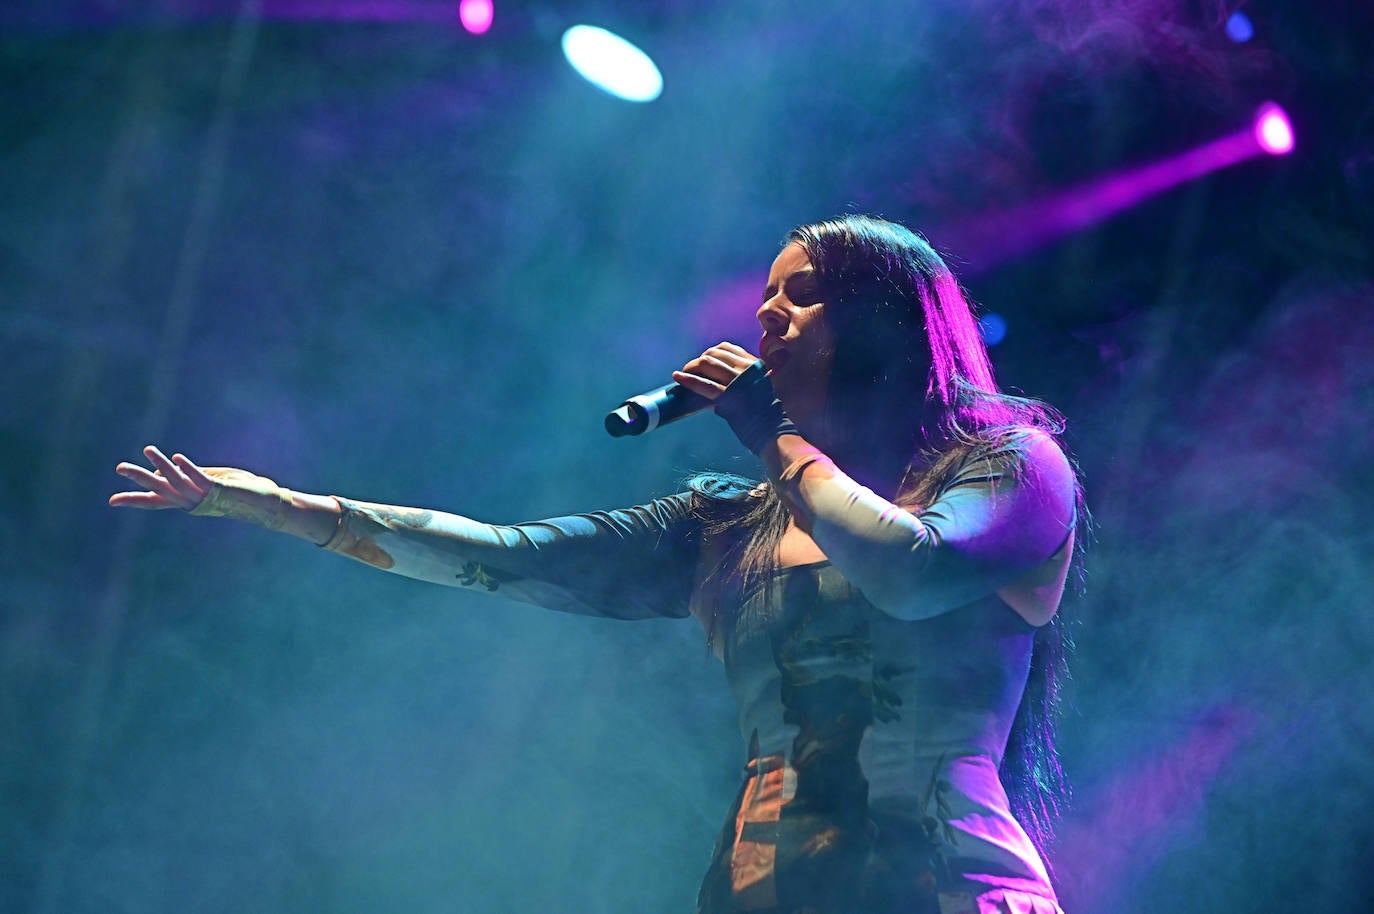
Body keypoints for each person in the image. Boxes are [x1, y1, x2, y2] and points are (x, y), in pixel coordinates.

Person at [112, 215, 1084, 914]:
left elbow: (908, 573)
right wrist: (283, 506)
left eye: (805, 292)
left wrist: (773, 438)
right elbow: (504, 556)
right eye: (764, 297)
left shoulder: (1009, 467)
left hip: (952, 886)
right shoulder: (728, 519)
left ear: (885, 318)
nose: (768, 317)